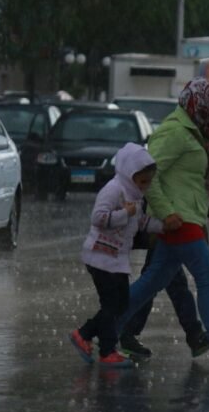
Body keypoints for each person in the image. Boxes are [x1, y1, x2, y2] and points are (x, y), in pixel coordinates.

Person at [117, 78, 209, 369]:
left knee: (149, 284)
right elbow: (146, 177)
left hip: (186, 217)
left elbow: (189, 184)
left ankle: (100, 330)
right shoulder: (175, 131)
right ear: (194, 101)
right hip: (178, 221)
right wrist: (166, 213)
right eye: (207, 105)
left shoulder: (194, 132)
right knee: (207, 278)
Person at [69, 142, 164, 369]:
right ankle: (102, 346)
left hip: (117, 259)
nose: (144, 187)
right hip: (101, 258)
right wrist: (125, 213)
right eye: (141, 182)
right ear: (129, 174)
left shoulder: (135, 195)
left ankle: (90, 339)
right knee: (115, 305)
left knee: (118, 305)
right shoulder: (114, 190)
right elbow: (98, 218)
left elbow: (140, 222)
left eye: (148, 182)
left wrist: (162, 226)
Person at [119, 201, 209, 360]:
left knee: (162, 284)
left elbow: (189, 192)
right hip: (170, 228)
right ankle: (115, 329)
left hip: (173, 227)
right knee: (156, 285)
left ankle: (113, 328)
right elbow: (179, 192)